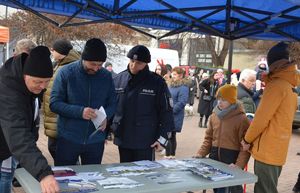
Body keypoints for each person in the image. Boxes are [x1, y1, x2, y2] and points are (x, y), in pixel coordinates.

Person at [241, 42, 300, 193]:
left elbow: (261, 119)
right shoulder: (290, 85)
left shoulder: (276, 85)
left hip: (267, 149)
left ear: (275, 63)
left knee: (264, 189)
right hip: (278, 148)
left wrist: (247, 140)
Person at [0, 46, 59, 193]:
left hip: (10, 146)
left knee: (8, 176)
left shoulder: (28, 84)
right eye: (38, 82)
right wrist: (43, 173)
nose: (43, 86)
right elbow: (17, 133)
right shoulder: (7, 91)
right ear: (25, 75)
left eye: (47, 81)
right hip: (8, 141)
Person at [50, 38, 117, 166]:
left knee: (93, 179)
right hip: (68, 138)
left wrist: (106, 116)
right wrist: (80, 112)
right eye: (93, 64)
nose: (97, 68)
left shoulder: (106, 76)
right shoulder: (66, 73)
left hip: (95, 140)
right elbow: (54, 103)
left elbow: (113, 103)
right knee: (65, 179)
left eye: (100, 64)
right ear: (83, 58)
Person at [112, 45, 174, 162]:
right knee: (125, 175)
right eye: (132, 61)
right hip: (124, 138)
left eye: (139, 63)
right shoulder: (118, 79)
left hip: (146, 140)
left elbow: (166, 112)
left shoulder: (157, 82)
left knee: (144, 176)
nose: (133, 65)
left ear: (146, 63)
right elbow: (111, 107)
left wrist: (162, 139)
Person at [195, 84, 250, 193]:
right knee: (218, 188)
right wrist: (201, 153)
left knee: (232, 188)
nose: (220, 102)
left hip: (231, 160)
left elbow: (245, 146)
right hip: (214, 158)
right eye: (218, 99)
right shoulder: (214, 116)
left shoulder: (241, 119)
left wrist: (239, 165)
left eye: (224, 100)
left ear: (232, 101)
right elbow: (208, 138)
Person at [43, 39, 80, 160]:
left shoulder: (71, 69)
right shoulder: (58, 65)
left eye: (53, 50)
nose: (51, 52)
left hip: (61, 119)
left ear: (61, 51)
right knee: (55, 150)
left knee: (62, 154)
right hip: (53, 118)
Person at [164, 67, 189, 159]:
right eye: (172, 74)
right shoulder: (170, 85)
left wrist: (170, 111)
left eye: (175, 74)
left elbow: (182, 102)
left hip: (174, 115)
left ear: (181, 75)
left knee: (170, 135)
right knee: (169, 135)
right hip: (167, 113)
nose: (172, 76)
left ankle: (169, 155)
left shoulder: (183, 87)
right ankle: (170, 154)